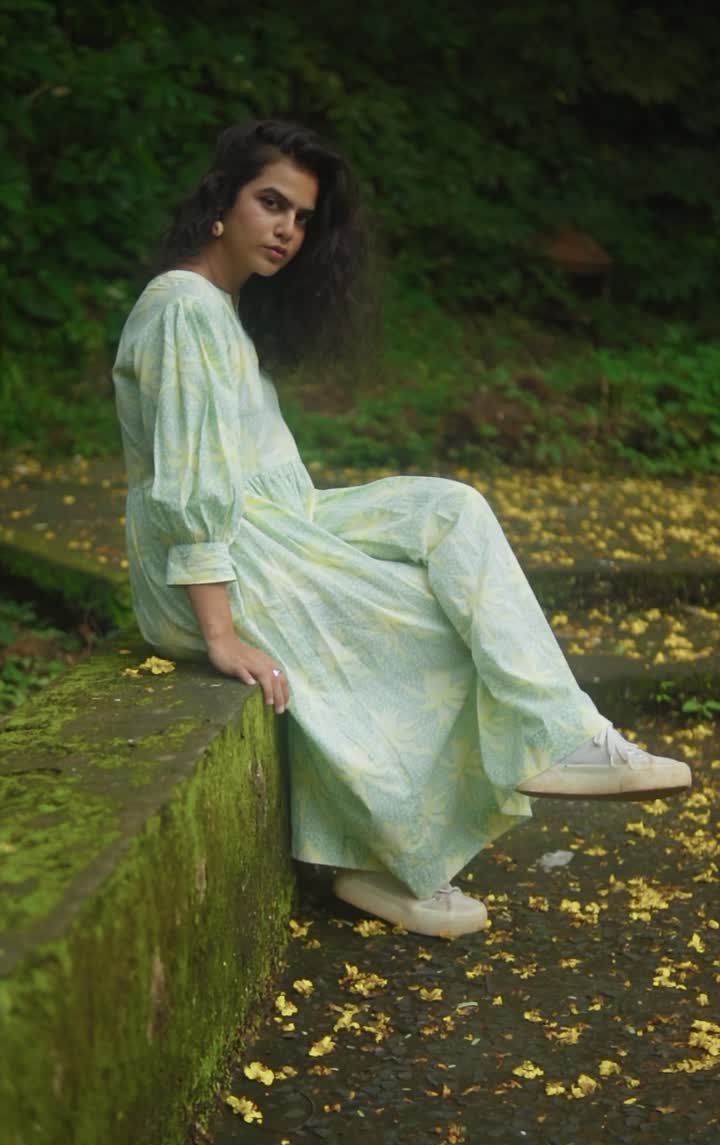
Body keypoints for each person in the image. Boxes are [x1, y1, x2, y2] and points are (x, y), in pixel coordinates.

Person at [113, 119, 691, 940]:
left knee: (449, 508)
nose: (287, 229)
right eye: (270, 203)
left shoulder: (220, 309)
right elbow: (189, 486)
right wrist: (219, 631)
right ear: (220, 202)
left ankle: (562, 735)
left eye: (302, 217)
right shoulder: (183, 311)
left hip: (282, 527)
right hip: (219, 563)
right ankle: (387, 861)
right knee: (418, 616)